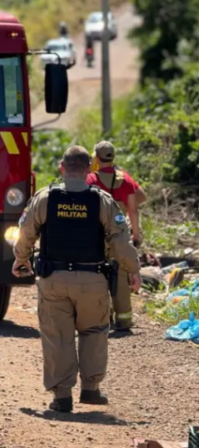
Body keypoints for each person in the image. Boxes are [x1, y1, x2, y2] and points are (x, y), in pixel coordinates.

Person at [13, 146, 141, 413]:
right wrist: (133, 270)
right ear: (89, 168)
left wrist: (21, 258)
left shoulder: (45, 198)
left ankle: (62, 397)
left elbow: (26, 232)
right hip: (92, 279)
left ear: (62, 167)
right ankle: (91, 390)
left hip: (54, 279)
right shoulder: (103, 201)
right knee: (94, 332)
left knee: (57, 336)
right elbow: (120, 239)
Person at [86, 141, 148, 331]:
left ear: (96, 158)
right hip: (119, 233)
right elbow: (134, 209)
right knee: (120, 274)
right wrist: (136, 234)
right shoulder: (126, 180)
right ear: (113, 157)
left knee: (96, 274)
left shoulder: (91, 180)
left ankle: (101, 318)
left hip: (97, 235)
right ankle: (124, 320)